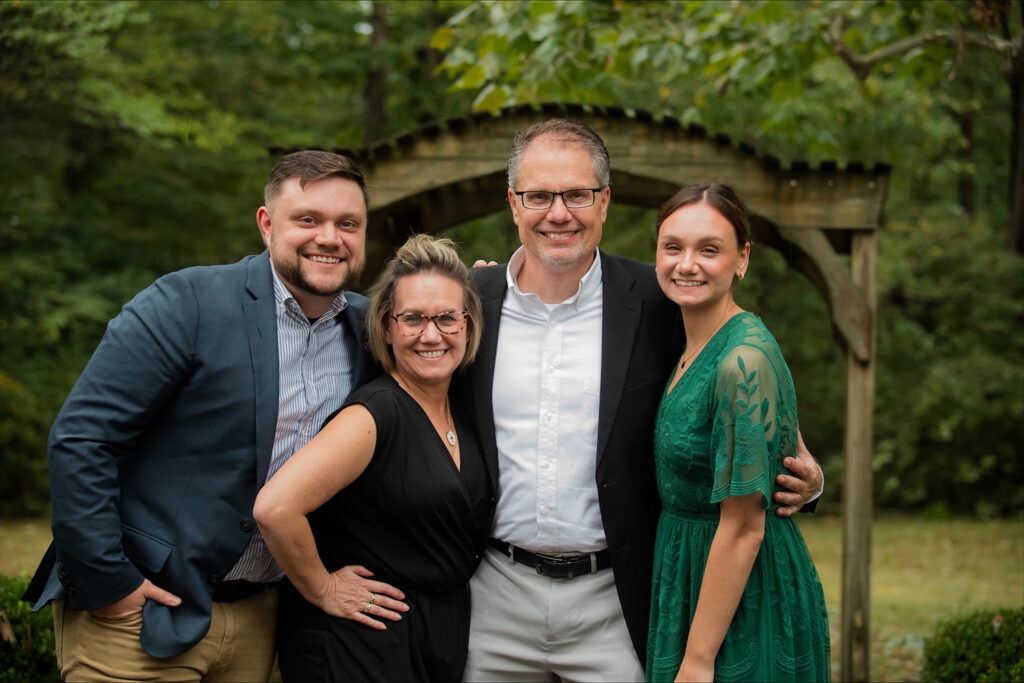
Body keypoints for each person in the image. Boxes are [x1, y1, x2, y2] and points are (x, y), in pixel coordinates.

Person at [460, 119, 825, 681]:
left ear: (604, 202)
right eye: (538, 196)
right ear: (513, 204)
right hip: (493, 597)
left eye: (578, 194)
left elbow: (747, 399)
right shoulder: (467, 303)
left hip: (618, 601)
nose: (558, 213)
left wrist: (811, 478)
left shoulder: (661, 303)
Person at [21, 150, 403, 682]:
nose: (330, 237)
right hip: (143, 613)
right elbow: (83, 439)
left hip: (261, 618)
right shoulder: (186, 302)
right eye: (308, 220)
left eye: (348, 223)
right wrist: (108, 583)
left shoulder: (369, 329)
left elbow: (445, 352)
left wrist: (483, 291)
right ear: (267, 225)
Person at [253, 234, 491, 682]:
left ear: (469, 324)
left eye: (447, 318)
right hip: (358, 645)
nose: (431, 334)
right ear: (385, 326)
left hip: (434, 636)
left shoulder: (461, 406)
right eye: (413, 319)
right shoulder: (373, 415)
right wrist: (323, 587)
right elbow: (275, 508)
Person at [645, 183, 830, 682]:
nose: (687, 264)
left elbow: (746, 525)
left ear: (742, 259)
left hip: (742, 597)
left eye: (710, 249)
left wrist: (699, 660)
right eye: (673, 247)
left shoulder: (742, 360)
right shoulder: (688, 336)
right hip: (689, 576)